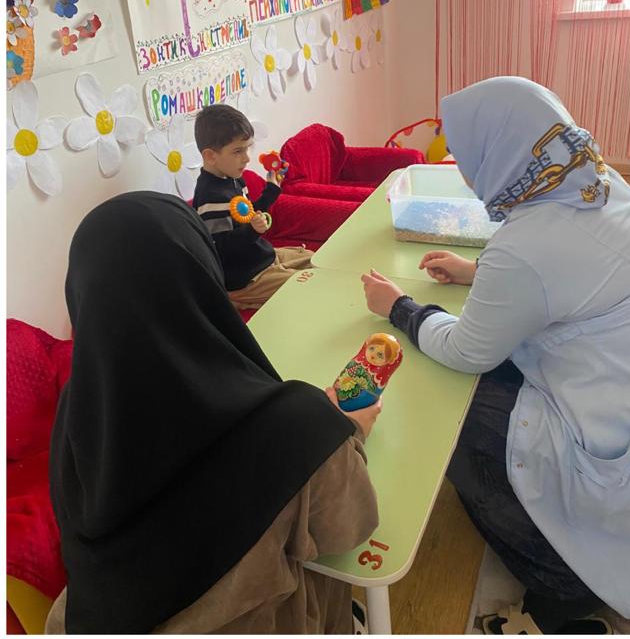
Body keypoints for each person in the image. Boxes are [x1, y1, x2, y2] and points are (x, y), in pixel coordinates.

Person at [359, 77, 630, 634]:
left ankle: (560, 580)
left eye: (465, 157)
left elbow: (466, 350)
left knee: (449, 417)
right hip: (629, 395)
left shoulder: (526, 248)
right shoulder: (599, 181)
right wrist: (478, 271)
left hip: (603, 436)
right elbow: (565, 270)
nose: (463, 170)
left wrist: (400, 308)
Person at [46, 193, 381, 633]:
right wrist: (346, 430)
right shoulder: (299, 428)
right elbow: (350, 529)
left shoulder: (77, 408)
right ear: (203, 275)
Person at [192, 104, 312, 310]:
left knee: (316, 260)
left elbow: (247, 215)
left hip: (261, 257)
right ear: (210, 156)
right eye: (238, 151)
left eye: (247, 148)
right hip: (247, 277)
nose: (247, 158)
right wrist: (252, 231)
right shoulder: (211, 198)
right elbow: (219, 248)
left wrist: (271, 190)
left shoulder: (233, 179)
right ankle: (236, 298)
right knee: (307, 284)